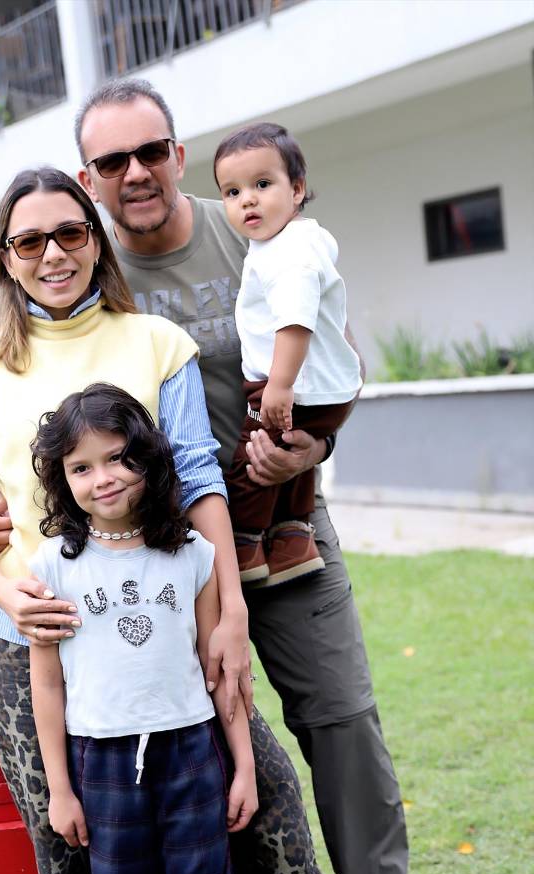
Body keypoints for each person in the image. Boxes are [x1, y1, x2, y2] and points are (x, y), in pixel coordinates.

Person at [0, 78, 440, 874]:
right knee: (187, 744)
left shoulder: (250, 223)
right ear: (88, 178)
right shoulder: (82, 263)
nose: (136, 173)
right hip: (153, 562)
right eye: (112, 162)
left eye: (152, 151)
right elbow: (42, 391)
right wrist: (8, 486)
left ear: (179, 154)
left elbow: (332, 358)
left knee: (341, 719)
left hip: (282, 532)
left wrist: (311, 448)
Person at [29, 384, 265, 874]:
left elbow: (218, 669)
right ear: (62, 481)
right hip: (101, 766)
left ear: (148, 459)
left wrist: (243, 769)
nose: (104, 478)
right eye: (82, 467)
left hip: (189, 753)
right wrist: (61, 788)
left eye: (119, 458)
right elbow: (48, 683)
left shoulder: (190, 554)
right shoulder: (53, 567)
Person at [213, 122, 361, 587]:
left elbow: (294, 321)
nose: (247, 200)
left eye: (262, 184)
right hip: (329, 390)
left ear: (297, 189)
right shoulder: (301, 240)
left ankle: (244, 545)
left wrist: (279, 385)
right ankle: (295, 540)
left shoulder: (287, 254)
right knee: (291, 459)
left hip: (291, 387)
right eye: (232, 191)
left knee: (252, 461)